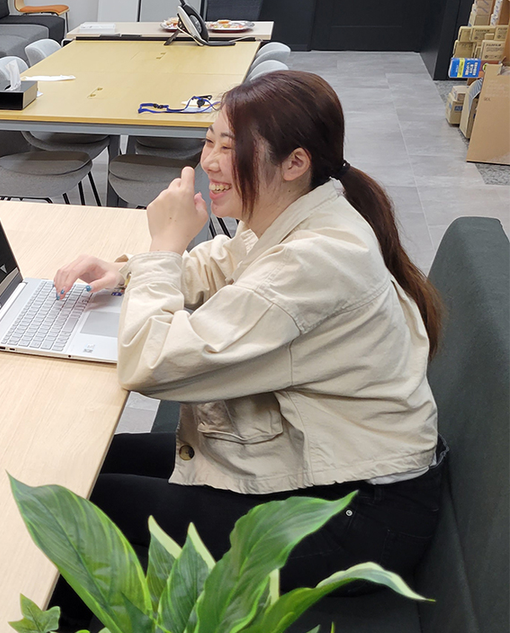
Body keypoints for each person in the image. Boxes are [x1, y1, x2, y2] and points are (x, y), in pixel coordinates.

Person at [51, 70, 443, 615]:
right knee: (80, 465)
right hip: (319, 460)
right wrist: (129, 272)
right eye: (208, 141)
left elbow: (151, 364)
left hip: (357, 512)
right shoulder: (300, 210)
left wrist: (164, 248)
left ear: (295, 162)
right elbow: (224, 262)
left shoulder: (316, 261)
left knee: (80, 508)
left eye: (229, 147)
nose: (209, 161)